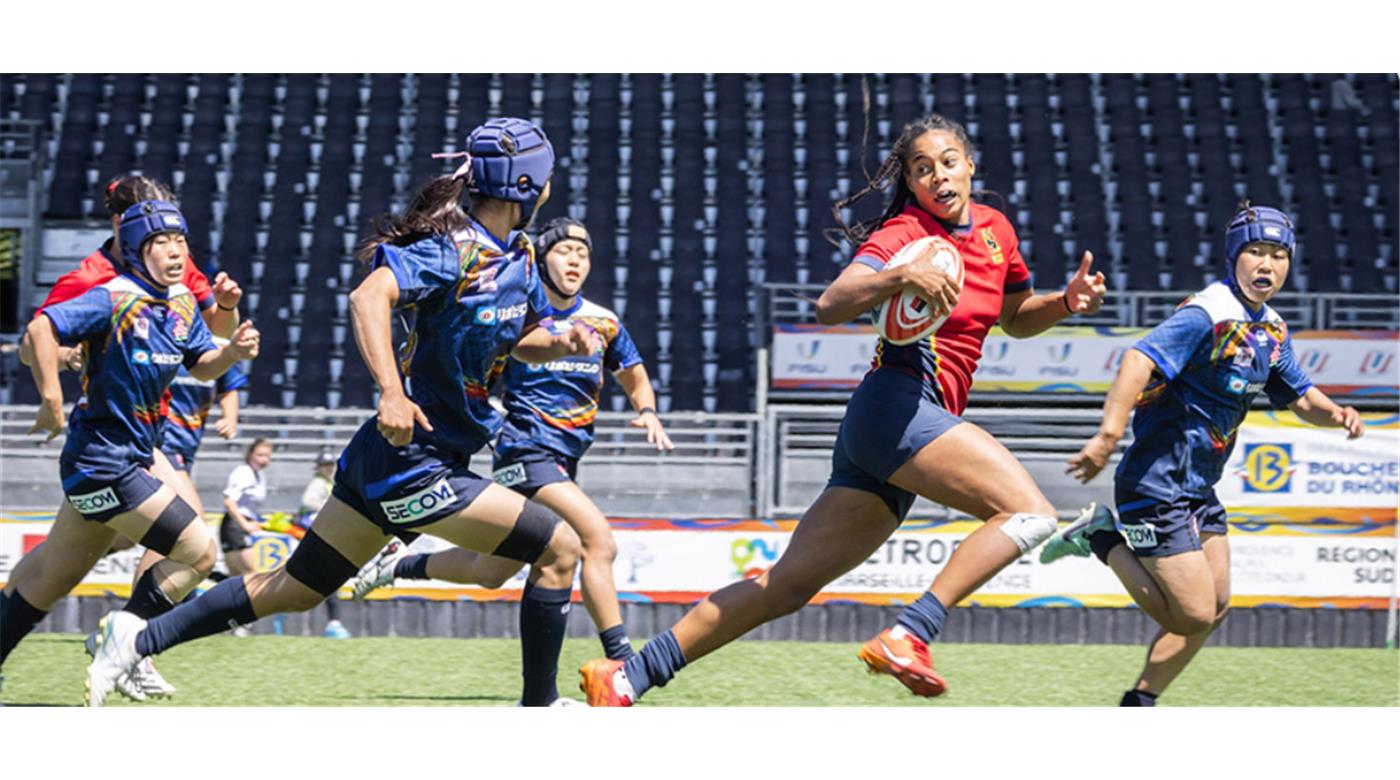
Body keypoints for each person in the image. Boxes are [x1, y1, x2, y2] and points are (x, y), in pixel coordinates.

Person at [579, 112, 1108, 706]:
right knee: (1030, 513)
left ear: (970, 164)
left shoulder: (995, 231)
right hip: (899, 407)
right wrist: (899, 274)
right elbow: (832, 304)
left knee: (783, 587)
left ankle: (627, 676)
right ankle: (912, 631)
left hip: (895, 430)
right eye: (922, 168)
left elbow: (1014, 317)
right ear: (909, 182)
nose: (938, 176)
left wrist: (1064, 301)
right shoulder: (905, 234)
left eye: (948, 162)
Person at [84, 117, 592, 707]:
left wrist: (556, 343)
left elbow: (515, 333)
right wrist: (391, 391)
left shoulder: (521, 258)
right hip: (413, 461)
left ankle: (136, 641)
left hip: (397, 460)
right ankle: (541, 708)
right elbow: (368, 295)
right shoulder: (454, 252)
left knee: (294, 589)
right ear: (529, 187)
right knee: (559, 547)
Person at [1042, 201, 1366, 706]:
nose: (1266, 264)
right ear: (1234, 257)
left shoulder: (1270, 329)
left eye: (1278, 255)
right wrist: (1107, 437)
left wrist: (1338, 413)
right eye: (1255, 252)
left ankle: (1141, 702)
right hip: (1154, 485)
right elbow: (1137, 356)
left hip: (1196, 488)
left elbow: (1301, 395)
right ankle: (1100, 535)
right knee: (1189, 614)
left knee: (1215, 608)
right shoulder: (1208, 313)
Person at [350, 216, 673, 666]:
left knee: (491, 573)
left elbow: (635, 376)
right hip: (524, 449)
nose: (575, 259)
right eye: (564, 250)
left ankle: (399, 565)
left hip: (564, 460)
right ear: (541, 260)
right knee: (598, 540)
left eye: (583, 252)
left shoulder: (604, 322)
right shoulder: (516, 314)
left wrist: (648, 411)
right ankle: (623, 661)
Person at [1, 199, 259, 706]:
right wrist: (53, 399)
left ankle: (116, 639)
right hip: (101, 461)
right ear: (138, 252)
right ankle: (123, 639)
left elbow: (202, 364)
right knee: (199, 550)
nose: (174, 252)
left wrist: (230, 352)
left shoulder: (183, 302)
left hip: (126, 458)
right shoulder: (113, 297)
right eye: (161, 243)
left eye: (180, 241)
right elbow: (40, 329)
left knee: (50, 574)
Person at [297, 451, 351, 639]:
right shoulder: (319, 483)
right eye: (325, 465)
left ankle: (334, 622)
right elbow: (308, 502)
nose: (328, 468)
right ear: (319, 467)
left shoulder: (326, 482)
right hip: (319, 532)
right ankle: (334, 622)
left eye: (330, 464)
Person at [220, 438, 273, 581]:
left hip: (239, 524)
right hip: (236, 526)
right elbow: (229, 502)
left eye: (267, 456)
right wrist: (245, 525)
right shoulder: (244, 472)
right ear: (250, 455)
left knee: (237, 578)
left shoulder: (259, 475)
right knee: (252, 576)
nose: (264, 460)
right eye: (260, 455)